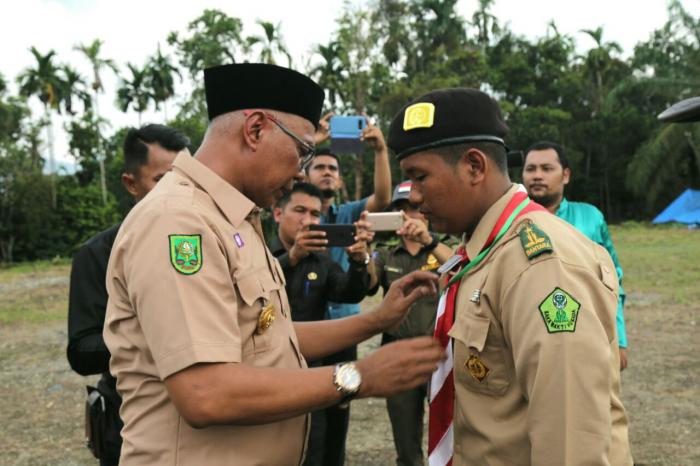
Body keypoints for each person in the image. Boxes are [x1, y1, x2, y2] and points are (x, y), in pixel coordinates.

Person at [103, 63, 444, 466]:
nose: (302, 171)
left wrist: (376, 320)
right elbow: (204, 392)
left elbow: (270, 335)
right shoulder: (179, 222)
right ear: (256, 130)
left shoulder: (235, 218)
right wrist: (358, 376)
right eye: (302, 151)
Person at [387, 88, 633, 465]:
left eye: (419, 177)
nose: (413, 196)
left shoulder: (540, 265)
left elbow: (570, 440)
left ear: (474, 166)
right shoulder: (482, 250)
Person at [66, 124, 191, 465]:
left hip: (203, 423)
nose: (179, 191)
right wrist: (154, 337)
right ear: (131, 184)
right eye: (162, 180)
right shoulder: (97, 254)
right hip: (131, 421)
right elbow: (81, 351)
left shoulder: (205, 243)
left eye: (186, 179)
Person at [304, 121, 392, 463]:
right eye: (319, 167)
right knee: (305, 413)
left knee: (340, 407)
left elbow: (383, 198)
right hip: (304, 326)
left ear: (339, 180)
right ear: (306, 175)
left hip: (343, 330)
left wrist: (381, 149)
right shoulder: (294, 211)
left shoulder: (347, 213)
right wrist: (313, 142)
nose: (327, 173)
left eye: (332, 169)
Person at [270, 181, 372, 466]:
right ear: (278, 213)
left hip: (310, 370)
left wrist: (359, 262)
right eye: (300, 211)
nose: (309, 220)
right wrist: (291, 258)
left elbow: (348, 292)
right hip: (267, 370)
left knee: (315, 448)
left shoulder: (321, 261)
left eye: (315, 214)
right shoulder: (260, 252)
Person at [522, 141, 629, 370]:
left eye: (547, 168)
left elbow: (613, 281)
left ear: (566, 175)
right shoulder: (511, 221)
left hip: (587, 336)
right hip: (527, 338)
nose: (537, 176)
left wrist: (619, 339)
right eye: (531, 169)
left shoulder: (590, 218)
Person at [368, 180, 453, 466]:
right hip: (399, 354)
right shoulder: (385, 252)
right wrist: (360, 254)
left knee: (452, 435)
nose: (411, 216)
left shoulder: (444, 246)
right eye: (404, 209)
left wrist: (430, 241)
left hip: (441, 353)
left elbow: (462, 269)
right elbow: (366, 283)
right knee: (406, 442)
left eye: (416, 208)